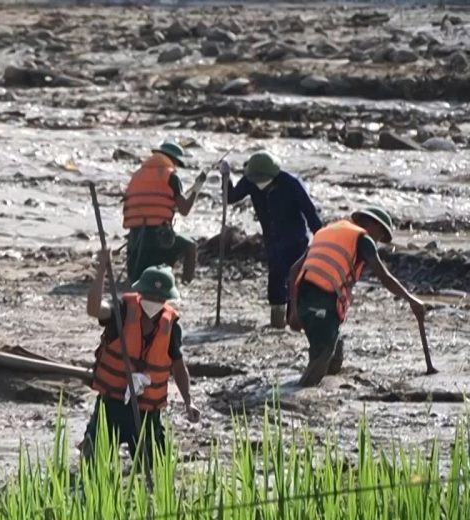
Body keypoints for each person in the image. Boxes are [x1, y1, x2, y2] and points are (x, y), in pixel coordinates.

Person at [82, 256, 201, 471]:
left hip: (147, 411)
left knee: (155, 468)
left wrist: (188, 401)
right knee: (93, 466)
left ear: (167, 298)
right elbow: (93, 309)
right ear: (140, 292)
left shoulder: (170, 324)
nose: (154, 300)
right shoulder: (123, 310)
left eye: (160, 297)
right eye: (150, 295)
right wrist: (101, 271)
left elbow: (178, 366)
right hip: (113, 405)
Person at [287, 207, 426, 387]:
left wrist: (294, 310)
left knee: (335, 354)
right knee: (321, 359)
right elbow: (384, 277)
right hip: (323, 302)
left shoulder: (328, 232)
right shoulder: (362, 239)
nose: (378, 241)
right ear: (374, 224)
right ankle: (295, 399)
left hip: (304, 300)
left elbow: (294, 271)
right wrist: (412, 300)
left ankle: (323, 385)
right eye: (381, 235)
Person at [220, 151, 324, 328]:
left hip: (296, 241)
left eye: (262, 180)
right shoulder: (250, 181)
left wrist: (321, 240)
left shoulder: (291, 184)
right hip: (273, 242)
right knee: (275, 282)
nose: (258, 183)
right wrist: (225, 177)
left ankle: (294, 322)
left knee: (295, 284)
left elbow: (310, 213)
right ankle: (277, 325)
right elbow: (230, 197)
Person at [122, 141, 207, 285]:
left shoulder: (137, 175)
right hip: (158, 238)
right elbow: (184, 210)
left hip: (135, 238)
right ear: (173, 159)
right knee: (190, 247)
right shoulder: (171, 176)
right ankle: (187, 283)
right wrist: (196, 188)